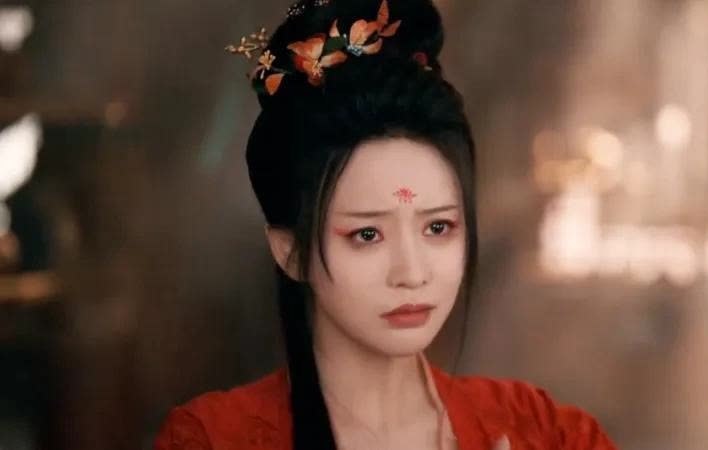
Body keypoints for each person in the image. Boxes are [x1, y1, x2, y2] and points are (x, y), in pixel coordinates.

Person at [153, 0, 616, 448]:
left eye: (438, 228)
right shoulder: (212, 438)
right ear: (289, 251)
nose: (412, 273)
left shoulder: (548, 433)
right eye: (367, 234)